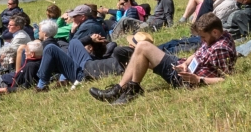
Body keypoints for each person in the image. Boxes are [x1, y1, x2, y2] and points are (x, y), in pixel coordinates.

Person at [90, 15, 237, 104]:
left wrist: (198, 80)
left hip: (185, 80)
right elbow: (200, 52)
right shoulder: (217, 37)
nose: (202, 40)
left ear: (215, 32)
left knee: (142, 47)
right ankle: (120, 89)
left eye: (203, 37)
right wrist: (186, 63)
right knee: (141, 49)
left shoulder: (221, 49)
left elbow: (226, 79)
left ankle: (128, 89)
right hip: (182, 66)